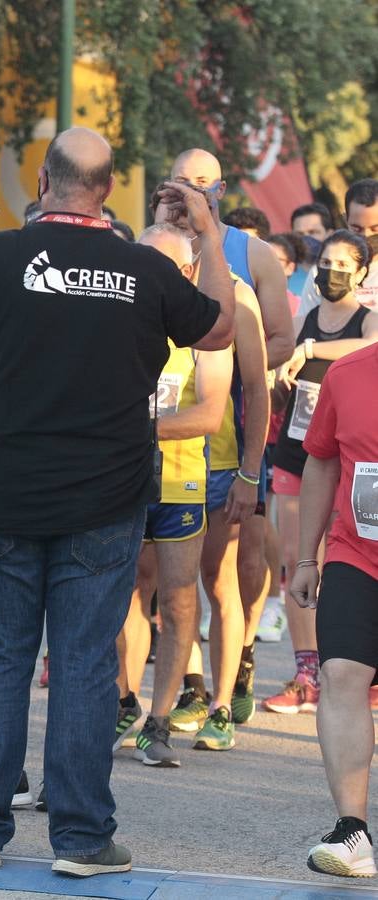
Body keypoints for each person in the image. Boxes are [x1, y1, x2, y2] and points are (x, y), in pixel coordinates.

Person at [0, 127, 236, 876]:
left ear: (42, 180)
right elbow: (222, 325)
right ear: (109, 189)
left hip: (7, 497)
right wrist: (205, 232)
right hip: (104, 504)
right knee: (82, 667)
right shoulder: (144, 268)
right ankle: (79, 840)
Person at [169, 149, 288, 728]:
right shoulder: (148, 248)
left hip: (230, 440)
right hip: (164, 449)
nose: (190, 192)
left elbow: (280, 346)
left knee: (224, 575)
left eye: (201, 184)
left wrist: (235, 359)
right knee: (167, 582)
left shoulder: (253, 256)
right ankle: (191, 688)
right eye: (181, 181)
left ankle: (231, 676)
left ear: (219, 191)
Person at [119, 225, 233, 768]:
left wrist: (130, 426)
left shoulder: (203, 331)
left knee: (180, 599)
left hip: (180, 482)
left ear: (188, 271)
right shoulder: (111, 318)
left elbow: (209, 414)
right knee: (115, 596)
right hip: (117, 478)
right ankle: (121, 700)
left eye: (165, 263)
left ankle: (159, 719)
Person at [265, 231, 377, 717]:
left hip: (351, 461)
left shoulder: (366, 322)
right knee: (297, 559)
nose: (330, 272)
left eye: (340, 265)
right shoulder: (303, 317)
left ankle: (353, 663)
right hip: (301, 451)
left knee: (343, 559)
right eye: (324, 263)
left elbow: (367, 350)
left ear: (361, 273)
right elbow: (277, 360)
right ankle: (306, 667)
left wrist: (308, 350)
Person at [290, 319, 378, 878]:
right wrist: (306, 556)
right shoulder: (347, 375)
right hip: (356, 555)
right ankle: (353, 831)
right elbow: (320, 459)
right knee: (341, 672)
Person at [343, 179, 378, 309]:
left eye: (375, 229)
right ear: (345, 220)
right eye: (357, 229)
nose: (366, 235)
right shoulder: (325, 270)